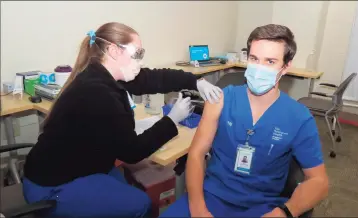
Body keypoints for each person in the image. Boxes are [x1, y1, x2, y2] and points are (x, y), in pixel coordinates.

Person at [22, 22, 222, 218]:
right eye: (137, 54)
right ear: (113, 51)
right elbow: (132, 152)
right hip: (51, 186)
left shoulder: (103, 74)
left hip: (82, 166)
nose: (141, 61)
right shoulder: (98, 93)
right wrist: (171, 119)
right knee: (141, 204)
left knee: (124, 188)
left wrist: (196, 82)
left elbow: (155, 78)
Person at [161, 24, 329, 217]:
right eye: (254, 59)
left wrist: (285, 212)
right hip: (212, 195)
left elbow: (319, 181)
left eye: (270, 62)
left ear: (285, 66)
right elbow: (197, 154)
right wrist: (198, 207)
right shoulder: (221, 100)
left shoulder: (299, 117)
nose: (259, 69)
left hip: (263, 206)